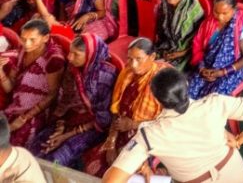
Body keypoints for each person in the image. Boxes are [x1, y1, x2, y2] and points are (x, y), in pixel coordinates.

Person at [101, 67, 243, 183]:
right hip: (235, 173)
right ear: (186, 84)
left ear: (157, 99)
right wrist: (239, 140)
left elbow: (112, 181)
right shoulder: (216, 103)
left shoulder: (149, 135)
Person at [30, 33, 115, 166]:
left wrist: (66, 135)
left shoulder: (104, 76)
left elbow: (104, 119)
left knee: (57, 158)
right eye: (70, 52)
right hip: (70, 117)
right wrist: (60, 127)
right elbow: (65, 99)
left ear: (90, 55)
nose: (69, 58)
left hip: (94, 125)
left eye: (76, 54)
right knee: (38, 146)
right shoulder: (73, 69)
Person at [87, 38, 168, 175]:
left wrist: (133, 124)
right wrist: (111, 141)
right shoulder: (126, 74)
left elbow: (167, 122)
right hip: (122, 132)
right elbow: (116, 111)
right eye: (130, 59)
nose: (133, 65)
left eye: (139, 59)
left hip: (148, 137)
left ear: (152, 57)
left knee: (131, 174)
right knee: (94, 166)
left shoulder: (162, 82)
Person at [0, 20, 64, 148]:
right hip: (17, 105)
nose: (27, 44)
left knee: (16, 144)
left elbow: (52, 94)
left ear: (45, 38)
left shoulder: (53, 58)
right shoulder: (22, 50)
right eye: (23, 39)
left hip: (39, 110)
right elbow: (10, 88)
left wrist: (24, 118)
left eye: (32, 40)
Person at [187, 0, 243, 99]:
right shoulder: (209, 23)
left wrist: (222, 72)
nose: (220, 17)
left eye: (224, 13)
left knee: (213, 98)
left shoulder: (240, 25)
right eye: (216, 12)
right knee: (190, 93)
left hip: (232, 68)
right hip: (208, 65)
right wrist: (202, 69)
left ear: (234, 9)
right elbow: (198, 48)